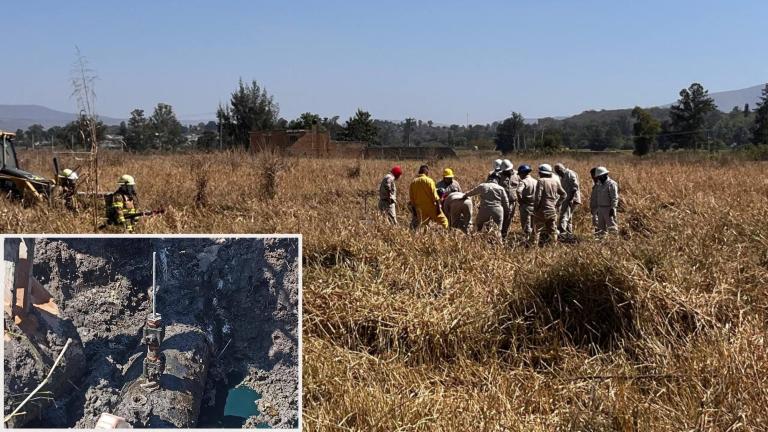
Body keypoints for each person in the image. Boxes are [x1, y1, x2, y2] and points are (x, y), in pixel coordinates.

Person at [462, 172, 509, 237]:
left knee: (478, 228)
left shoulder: (483, 186)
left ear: (489, 178)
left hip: (484, 210)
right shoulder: (501, 188)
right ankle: (499, 244)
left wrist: (464, 195)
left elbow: (472, 192)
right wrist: (506, 212)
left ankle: (477, 244)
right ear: (498, 179)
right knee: (498, 230)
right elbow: (506, 202)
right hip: (498, 211)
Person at [532, 164, 566, 245]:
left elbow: (538, 196)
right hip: (552, 210)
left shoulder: (541, 181)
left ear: (541, 173)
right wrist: (557, 204)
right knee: (552, 230)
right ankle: (553, 246)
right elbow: (564, 194)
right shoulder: (555, 181)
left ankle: (533, 247)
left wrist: (535, 209)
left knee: (536, 230)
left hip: (542, 210)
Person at [408, 165, 449, 229]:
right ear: (427, 172)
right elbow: (435, 196)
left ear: (419, 172)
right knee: (444, 222)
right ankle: (446, 234)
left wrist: (415, 211)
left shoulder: (413, 182)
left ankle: (422, 238)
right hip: (431, 207)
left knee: (423, 226)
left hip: (420, 209)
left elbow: (412, 198)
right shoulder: (429, 181)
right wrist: (438, 209)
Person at [590, 166, 619, 236]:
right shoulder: (599, 184)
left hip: (608, 208)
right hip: (600, 208)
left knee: (612, 227)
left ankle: (614, 242)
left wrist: (613, 208)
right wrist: (596, 210)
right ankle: (601, 243)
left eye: (600, 176)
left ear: (605, 175)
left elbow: (614, 197)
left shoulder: (611, 184)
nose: (598, 178)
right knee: (601, 229)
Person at [553, 163, 581, 234]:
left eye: (558, 172)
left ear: (561, 169)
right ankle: (569, 233)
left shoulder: (570, 174)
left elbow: (575, 187)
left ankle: (562, 232)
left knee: (564, 216)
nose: (558, 174)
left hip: (571, 199)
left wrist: (571, 199)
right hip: (568, 199)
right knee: (569, 217)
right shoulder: (563, 176)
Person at [498, 159, 519, 239]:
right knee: (501, 218)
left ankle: (504, 235)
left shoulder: (517, 175)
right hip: (501, 202)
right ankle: (499, 235)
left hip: (512, 202)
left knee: (509, 218)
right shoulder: (499, 175)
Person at [516, 164, 537, 241]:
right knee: (534, 225)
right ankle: (534, 241)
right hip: (535, 206)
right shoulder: (536, 181)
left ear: (522, 173)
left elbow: (518, 191)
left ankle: (527, 242)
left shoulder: (523, 182)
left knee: (526, 226)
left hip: (526, 206)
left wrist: (520, 200)